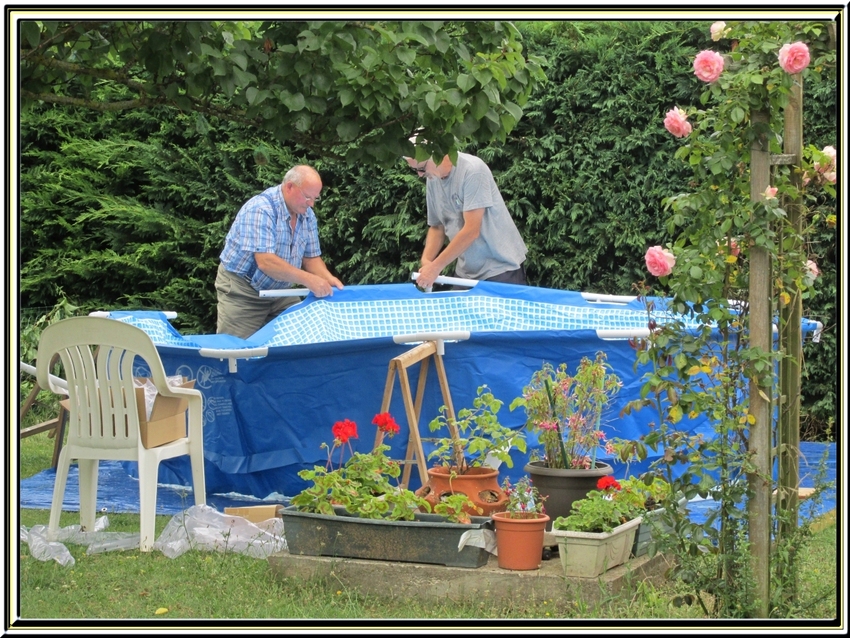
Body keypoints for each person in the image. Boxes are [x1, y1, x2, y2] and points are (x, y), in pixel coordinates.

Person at [216, 165, 343, 339]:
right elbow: (266, 262)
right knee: (236, 354)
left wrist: (328, 280)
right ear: (290, 187)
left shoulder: (307, 215)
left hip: (281, 292)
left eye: (315, 198)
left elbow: (311, 257)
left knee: (303, 340)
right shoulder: (261, 209)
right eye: (307, 197)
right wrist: (309, 280)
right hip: (244, 291)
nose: (311, 204)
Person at [404, 151, 527, 290]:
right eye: (415, 170)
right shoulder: (433, 179)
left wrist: (436, 267)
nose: (420, 174)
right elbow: (437, 227)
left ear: (437, 155)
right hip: (466, 273)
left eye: (422, 168)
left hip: (500, 268)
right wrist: (427, 262)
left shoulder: (472, 170)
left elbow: (471, 230)